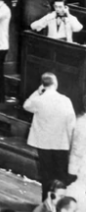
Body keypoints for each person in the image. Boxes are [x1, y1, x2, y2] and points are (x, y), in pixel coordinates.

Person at [23, 73, 76, 201]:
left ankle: (46, 203)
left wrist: (37, 91)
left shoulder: (38, 100)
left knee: (46, 175)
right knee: (61, 175)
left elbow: (26, 105)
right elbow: (71, 123)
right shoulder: (65, 100)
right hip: (61, 144)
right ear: (56, 83)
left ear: (43, 85)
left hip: (44, 145)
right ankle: (61, 202)